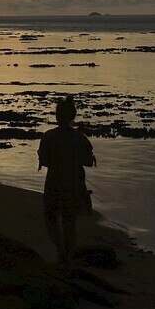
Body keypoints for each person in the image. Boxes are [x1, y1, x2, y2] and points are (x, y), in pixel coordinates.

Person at [38, 95, 95, 270]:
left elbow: (45, 161)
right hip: (74, 183)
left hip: (54, 182)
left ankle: (61, 251)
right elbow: (88, 161)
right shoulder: (80, 137)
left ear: (57, 116)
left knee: (51, 219)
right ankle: (68, 258)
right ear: (72, 116)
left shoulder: (48, 136)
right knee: (69, 223)